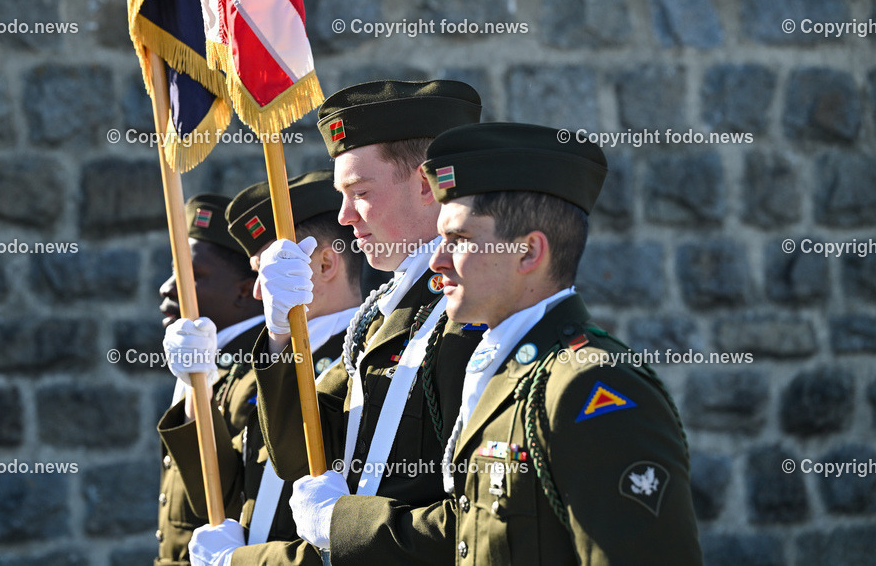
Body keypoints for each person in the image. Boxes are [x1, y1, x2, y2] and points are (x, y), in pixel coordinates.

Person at [291, 122, 702, 564]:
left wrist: (344, 522)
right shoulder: (503, 373)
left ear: (528, 252)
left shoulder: (590, 386)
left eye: (460, 240)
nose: (437, 259)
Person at [194, 80, 486, 563]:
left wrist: (341, 524)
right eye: (341, 195)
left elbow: (478, 524)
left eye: (360, 191)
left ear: (424, 183)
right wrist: (282, 334)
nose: (347, 216)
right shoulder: (380, 316)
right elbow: (297, 452)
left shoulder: (473, 311)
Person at [163, 170, 367, 565]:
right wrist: (196, 386)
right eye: (257, 274)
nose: (258, 292)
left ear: (326, 264)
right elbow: (220, 494)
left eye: (270, 271)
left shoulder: (364, 359)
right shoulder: (260, 363)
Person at [156, 194, 265, 566]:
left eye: (191, 276)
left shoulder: (261, 368)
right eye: (174, 272)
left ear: (242, 290)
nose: (168, 288)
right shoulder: (208, 360)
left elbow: (235, 493)